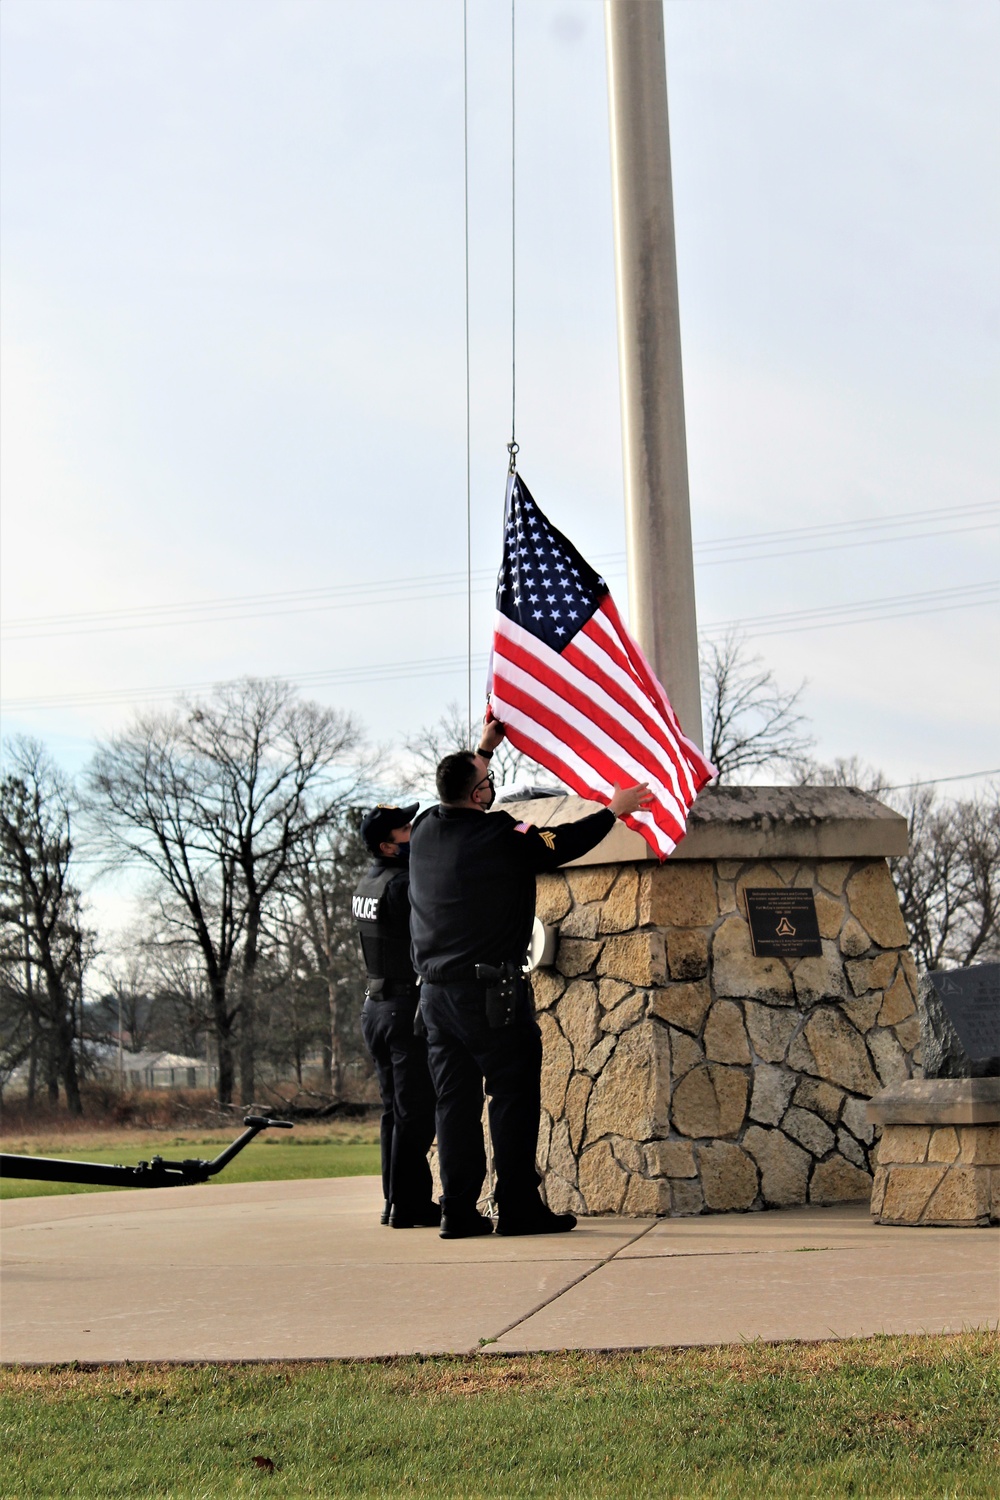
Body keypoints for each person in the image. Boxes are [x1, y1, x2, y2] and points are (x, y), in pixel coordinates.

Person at [408, 720, 653, 1239]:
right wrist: (614, 809)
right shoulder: (500, 835)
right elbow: (559, 843)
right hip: (489, 995)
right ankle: (517, 1206)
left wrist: (483, 750)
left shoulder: (426, 829)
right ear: (480, 794)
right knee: (512, 1096)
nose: (492, 788)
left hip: (434, 996)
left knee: (454, 1104)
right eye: (486, 782)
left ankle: (457, 1210)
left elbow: (463, 789)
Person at [353, 803, 438, 1229]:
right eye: (405, 829)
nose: (412, 832)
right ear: (388, 845)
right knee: (415, 1112)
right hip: (403, 1007)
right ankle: (410, 1204)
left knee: (394, 1111)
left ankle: (394, 1201)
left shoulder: (368, 882)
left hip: (376, 1006)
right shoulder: (402, 884)